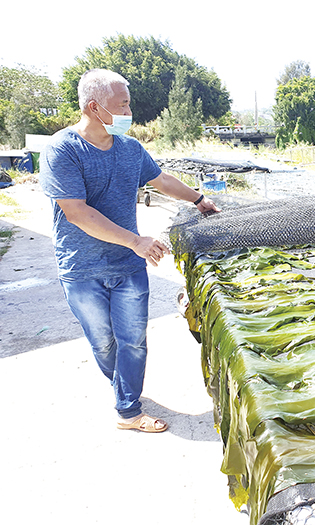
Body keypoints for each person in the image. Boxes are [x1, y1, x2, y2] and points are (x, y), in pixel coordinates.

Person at [40, 69, 219, 433]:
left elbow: (162, 180)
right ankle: (123, 387)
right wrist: (137, 240)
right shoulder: (63, 149)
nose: (128, 111)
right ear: (94, 107)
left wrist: (199, 199)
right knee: (103, 343)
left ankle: (128, 410)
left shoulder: (130, 148)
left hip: (127, 265)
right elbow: (76, 212)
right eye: (122, 104)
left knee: (133, 340)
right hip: (82, 267)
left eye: (128, 103)